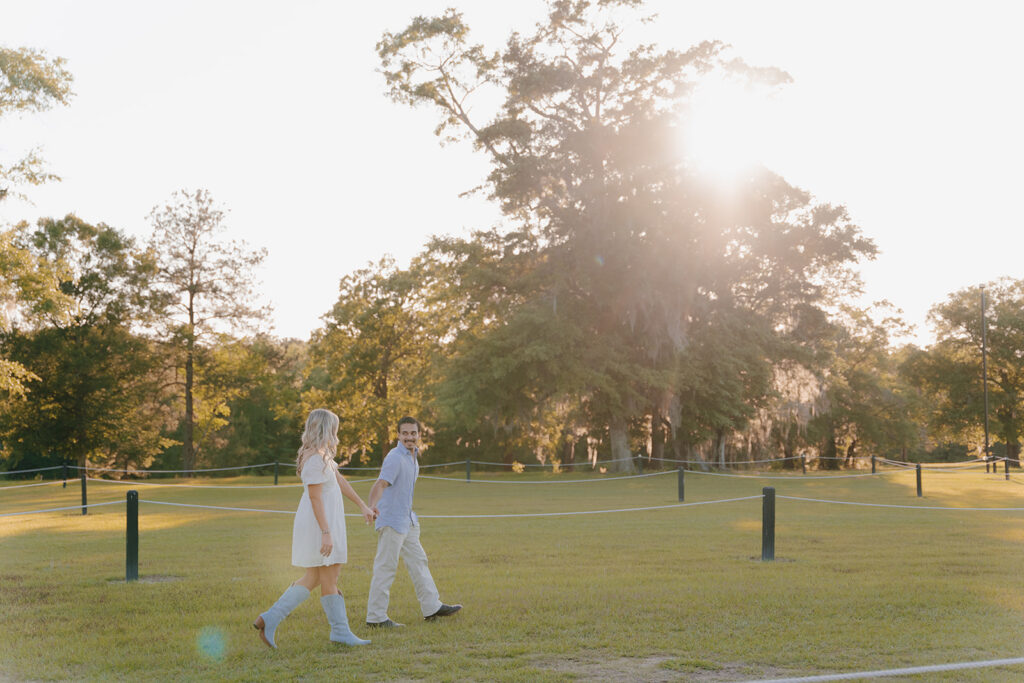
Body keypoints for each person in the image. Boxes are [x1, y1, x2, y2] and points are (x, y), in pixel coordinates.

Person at [254, 408, 376, 648]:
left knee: (313, 577)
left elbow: (339, 480)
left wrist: (362, 505)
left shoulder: (323, 457)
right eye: (334, 428)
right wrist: (326, 533)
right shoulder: (314, 459)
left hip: (326, 522)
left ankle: (270, 618)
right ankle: (340, 632)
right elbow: (315, 498)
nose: (336, 433)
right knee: (330, 577)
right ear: (325, 429)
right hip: (321, 524)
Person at [365, 416, 462, 628]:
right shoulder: (395, 457)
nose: (409, 437)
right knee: (386, 567)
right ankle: (375, 618)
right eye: (405, 433)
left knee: (419, 562)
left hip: (407, 521)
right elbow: (380, 483)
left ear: (419, 435)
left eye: (413, 433)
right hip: (391, 521)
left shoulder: (412, 455)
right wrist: (371, 507)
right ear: (398, 435)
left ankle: (432, 607)